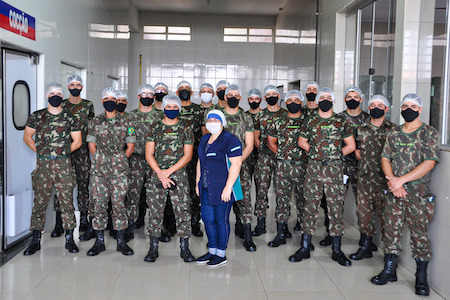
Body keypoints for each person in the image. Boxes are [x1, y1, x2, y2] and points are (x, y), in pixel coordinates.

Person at [371, 93, 439, 296]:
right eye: (404, 106)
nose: (408, 109)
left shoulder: (429, 133)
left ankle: (421, 278)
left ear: (419, 109)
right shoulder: (394, 133)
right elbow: (385, 158)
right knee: (390, 232)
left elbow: (429, 162)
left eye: (412, 106)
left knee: (420, 236)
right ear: (400, 109)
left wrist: (402, 180)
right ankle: (389, 270)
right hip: (394, 192)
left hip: (417, 195)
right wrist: (393, 181)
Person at [290, 87, 355, 266]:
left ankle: (337, 249)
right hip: (314, 169)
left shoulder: (341, 121)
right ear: (317, 101)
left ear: (333, 101)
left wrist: (333, 155)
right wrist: (317, 153)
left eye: (328, 98)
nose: (325, 100)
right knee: (310, 206)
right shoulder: (310, 121)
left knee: (335, 208)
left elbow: (351, 145)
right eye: (322, 97)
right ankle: (304, 246)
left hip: (334, 170)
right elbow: (301, 141)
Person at [23, 83, 82, 255]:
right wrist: (42, 152)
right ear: (47, 96)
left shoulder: (71, 117)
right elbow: (27, 137)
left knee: (67, 203)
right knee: (39, 203)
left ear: (62, 96)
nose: (55, 96)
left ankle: (70, 239)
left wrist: (61, 152)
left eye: (58, 93)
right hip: (43, 165)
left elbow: (77, 141)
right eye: (52, 93)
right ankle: (35, 240)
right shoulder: (37, 116)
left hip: (63, 165)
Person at [144, 94, 195, 263]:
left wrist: (168, 172)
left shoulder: (186, 128)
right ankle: (153, 248)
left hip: (178, 175)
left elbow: (187, 156)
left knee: (182, 212)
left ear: (179, 108)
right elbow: (149, 154)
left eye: (175, 107)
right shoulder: (154, 127)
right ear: (163, 108)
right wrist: (160, 173)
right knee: (155, 212)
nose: (172, 109)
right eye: (169, 106)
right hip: (157, 176)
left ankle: (184, 248)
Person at [85, 88, 135, 256]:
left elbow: (130, 145)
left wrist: (118, 159)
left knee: (119, 204)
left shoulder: (127, 121)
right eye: (107, 98)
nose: (110, 101)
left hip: (119, 171)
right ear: (102, 101)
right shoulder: (94, 122)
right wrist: (102, 159)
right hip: (99, 171)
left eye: (113, 98)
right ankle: (99, 241)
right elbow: (91, 145)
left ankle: (121, 241)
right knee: (99, 204)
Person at [195, 110, 243, 267]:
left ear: (223, 122)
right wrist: (197, 182)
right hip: (206, 186)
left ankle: (221, 253)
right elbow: (200, 161)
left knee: (221, 220)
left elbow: (236, 164)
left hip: (222, 187)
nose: (212, 123)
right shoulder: (204, 139)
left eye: (216, 120)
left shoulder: (230, 140)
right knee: (208, 220)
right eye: (210, 120)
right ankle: (212, 250)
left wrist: (228, 187)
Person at [350, 95, 395, 260]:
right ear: (368, 108)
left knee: (386, 217)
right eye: (373, 105)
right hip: (364, 179)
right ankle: (366, 246)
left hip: (385, 181)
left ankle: (390, 255)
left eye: (380, 105)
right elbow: (357, 152)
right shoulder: (361, 129)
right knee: (364, 215)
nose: (376, 108)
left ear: (386, 109)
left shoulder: (393, 130)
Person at [51, 75, 94, 237]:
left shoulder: (88, 105)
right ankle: (58, 222)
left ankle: (83, 218)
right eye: (72, 85)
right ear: (68, 87)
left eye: (78, 84)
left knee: (83, 184)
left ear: (82, 87)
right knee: (61, 186)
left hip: (82, 151)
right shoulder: (61, 104)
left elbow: (90, 129)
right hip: (64, 152)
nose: (75, 87)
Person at [266, 90, 307, 247]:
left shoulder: (307, 121)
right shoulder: (279, 120)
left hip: (303, 166)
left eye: (296, 100)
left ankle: (305, 237)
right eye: (290, 100)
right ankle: (281, 234)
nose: (293, 103)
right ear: (285, 103)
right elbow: (271, 142)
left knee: (303, 201)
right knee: (281, 200)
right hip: (283, 166)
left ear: (301, 102)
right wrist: (283, 155)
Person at [222, 84, 256, 251]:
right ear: (225, 97)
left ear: (240, 98)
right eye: (230, 95)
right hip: (220, 166)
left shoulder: (245, 117)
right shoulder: (217, 116)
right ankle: (221, 236)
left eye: (236, 95)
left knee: (244, 200)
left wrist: (237, 162)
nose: (233, 97)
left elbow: (249, 144)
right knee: (222, 200)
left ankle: (248, 237)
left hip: (241, 165)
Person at [125, 84, 161, 241]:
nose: (147, 97)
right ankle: (130, 225)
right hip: (136, 160)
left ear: (154, 97)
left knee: (155, 195)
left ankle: (155, 229)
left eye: (150, 94)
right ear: (138, 97)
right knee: (133, 193)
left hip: (155, 161)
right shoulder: (131, 117)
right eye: (143, 94)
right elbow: (127, 139)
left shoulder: (160, 116)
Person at [253, 85, 286, 238]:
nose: (272, 96)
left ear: (278, 96)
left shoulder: (286, 114)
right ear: (264, 98)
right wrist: (264, 150)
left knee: (282, 192)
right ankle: (260, 223)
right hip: (264, 157)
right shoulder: (260, 115)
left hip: (283, 159)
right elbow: (255, 137)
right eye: (269, 94)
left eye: (274, 94)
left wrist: (279, 153)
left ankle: (283, 225)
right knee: (262, 190)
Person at [177, 80, 205, 237]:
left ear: (192, 92)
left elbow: (204, 134)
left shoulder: (198, 110)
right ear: (176, 93)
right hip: (175, 156)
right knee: (176, 189)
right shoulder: (173, 108)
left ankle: (194, 222)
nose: (184, 92)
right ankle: (173, 222)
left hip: (194, 156)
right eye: (181, 89)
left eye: (187, 89)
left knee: (195, 189)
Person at [245, 88, 262, 231]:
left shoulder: (265, 116)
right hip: (246, 158)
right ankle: (243, 221)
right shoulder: (244, 116)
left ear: (261, 100)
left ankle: (260, 222)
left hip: (263, 159)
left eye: (257, 99)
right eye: (252, 99)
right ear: (248, 100)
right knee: (245, 190)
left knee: (261, 190)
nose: (254, 101)